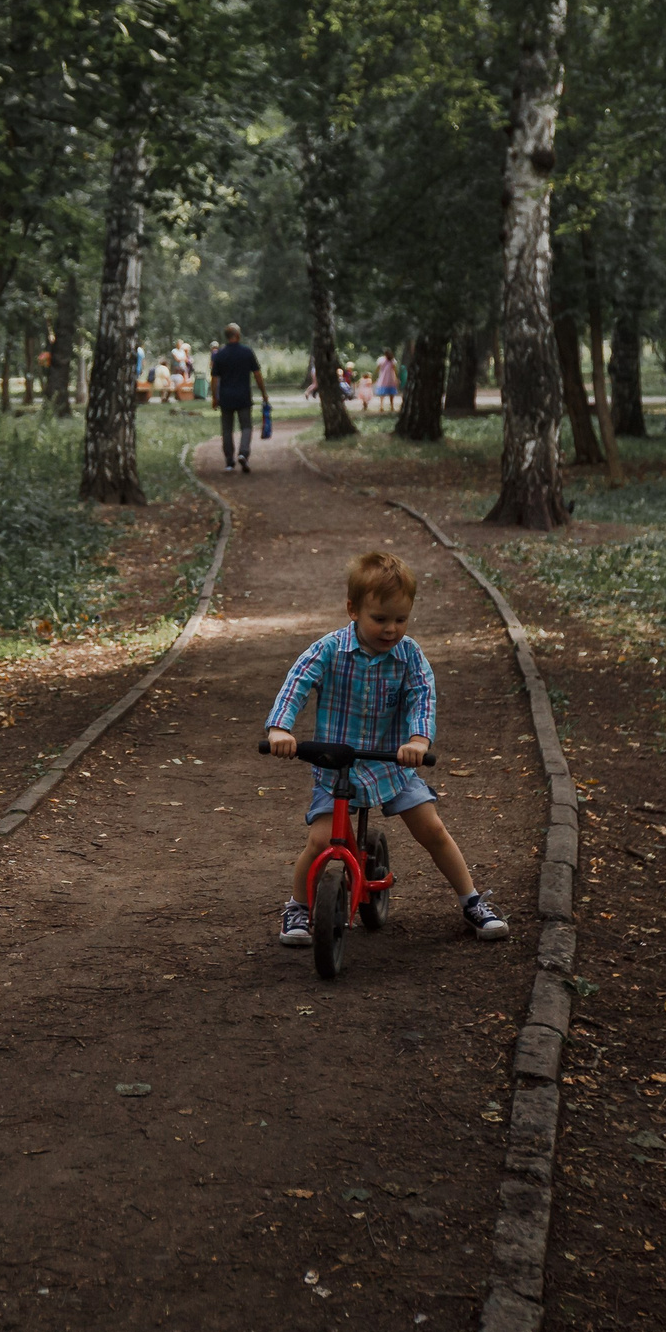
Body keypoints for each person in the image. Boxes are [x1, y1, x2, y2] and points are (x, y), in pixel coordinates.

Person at [264, 550, 503, 946]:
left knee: (432, 828)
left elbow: (422, 697)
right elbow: (296, 685)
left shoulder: (409, 656)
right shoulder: (329, 649)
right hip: (336, 768)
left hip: (391, 764)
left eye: (401, 619)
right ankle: (299, 907)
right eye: (380, 619)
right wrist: (279, 729)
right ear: (353, 610)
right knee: (321, 842)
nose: (391, 629)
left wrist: (417, 740)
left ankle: (472, 900)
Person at [208, 323, 267, 472]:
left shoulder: (220, 354)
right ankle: (243, 453)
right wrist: (263, 393)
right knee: (246, 426)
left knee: (227, 429)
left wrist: (215, 397)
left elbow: (214, 378)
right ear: (238, 335)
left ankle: (229, 461)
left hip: (226, 397)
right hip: (243, 396)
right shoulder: (247, 352)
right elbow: (257, 374)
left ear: (226, 337)